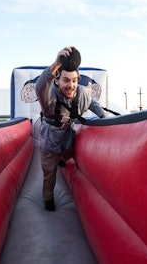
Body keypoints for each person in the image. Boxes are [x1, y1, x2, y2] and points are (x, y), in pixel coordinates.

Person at [35, 46, 106, 211]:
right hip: (50, 144)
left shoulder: (81, 93)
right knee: (49, 175)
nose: (71, 85)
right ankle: (48, 200)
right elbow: (39, 86)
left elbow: (92, 103)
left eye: (74, 80)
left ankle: (63, 158)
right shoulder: (49, 98)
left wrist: (103, 117)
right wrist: (56, 63)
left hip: (68, 140)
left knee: (67, 155)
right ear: (57, 81)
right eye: (66, 80)